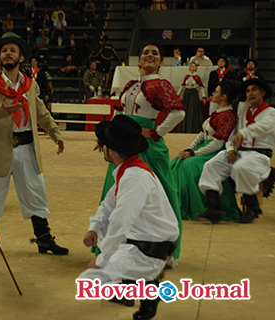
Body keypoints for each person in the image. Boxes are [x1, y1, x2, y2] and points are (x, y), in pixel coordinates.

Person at [78, 115, 179, 320]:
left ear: (112, 150)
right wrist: (94, 228)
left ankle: (149, 290)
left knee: (91, 280)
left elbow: (121, 222)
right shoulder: (128, 170)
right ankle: (127, 284)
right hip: (141, 238)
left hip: (152, 245)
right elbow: (107, 205)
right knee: (108, 234)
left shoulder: (134, 177)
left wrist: (101, 258)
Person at [0, 32, 68, 255]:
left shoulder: (30, 86)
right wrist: (1, 111)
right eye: (4, 51)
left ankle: (44, 239)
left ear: (21, 57)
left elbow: (41, 112)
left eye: (12, 50)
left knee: (35, 193)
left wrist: (55, 132)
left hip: (27, 148)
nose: (8, 54)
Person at [98, 41, 185, 262]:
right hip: (123, 140)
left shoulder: (161, 84)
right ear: (139, 60)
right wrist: (108, 137)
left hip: (147, 144)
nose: (150, 55)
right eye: (145, 52)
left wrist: (156, 132)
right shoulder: (131, 84)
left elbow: (178, 113)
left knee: (163, 191)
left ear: (160, 61)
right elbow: (120, 111)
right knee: (118, 190)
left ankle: (167, 249)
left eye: (155, 53)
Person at [198, 78, 275, 224]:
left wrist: (244, 133)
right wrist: (230, 150)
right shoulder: (244, 116)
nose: (250, 93)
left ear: (262, 93)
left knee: (240, 167)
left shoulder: (271, 113)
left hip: (259, 154)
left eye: (253, 89)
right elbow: (232, 137)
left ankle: (253, 207)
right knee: (212, 165)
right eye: (247, 91)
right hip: (241, 153)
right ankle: (212, 208)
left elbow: (263, 127)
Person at [170, 80, 241, 221]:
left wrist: (194, 153)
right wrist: (190, 148)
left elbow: (217, 143)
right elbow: (202, 134)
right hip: (205, 149)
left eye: (216, 91)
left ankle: (195, 207)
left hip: (217, 152)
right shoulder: (217, 113)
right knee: (177, 161)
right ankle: (176, 205)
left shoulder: (228, 116)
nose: (213, 93)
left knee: (189, 165)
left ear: (224, 97)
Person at [177, 62, 206, 133]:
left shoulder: (197, 77)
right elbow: (182, 86)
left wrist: (204, 96)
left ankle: (192, 128)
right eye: (191, 66)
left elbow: (201, 87)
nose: (192, 67)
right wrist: (177, 95)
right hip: (187, 94)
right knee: (186, 110)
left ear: (196, 68)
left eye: (194, 66)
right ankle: (185, 129)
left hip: (193, 94)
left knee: (192, 110)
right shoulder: (186, 77)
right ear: (189, 68)